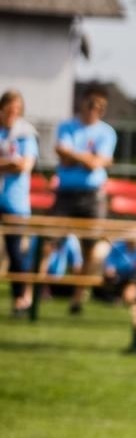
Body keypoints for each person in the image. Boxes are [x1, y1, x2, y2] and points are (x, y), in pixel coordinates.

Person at [38, 85, 117, 314]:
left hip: (92, 197)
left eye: (99, 106)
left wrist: (75, 157)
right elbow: (63, 153)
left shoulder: (107, 132)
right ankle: (37, 291)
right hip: (65, 194)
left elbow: (96, 162)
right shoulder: (67, 126)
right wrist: (88, 159)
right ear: (82, 102)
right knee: (47, 243)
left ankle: (78, 298)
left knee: (90, 249)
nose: (94, 109)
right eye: (90, 103)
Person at [0, 90, 40, 317]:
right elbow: (15, 164)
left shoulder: (26, 134)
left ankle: (20, 300)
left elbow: (24, 165)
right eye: (8, 110)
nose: (12, 114)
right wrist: (10, 163)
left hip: (15, 201)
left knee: (16, 253)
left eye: (17, 110)